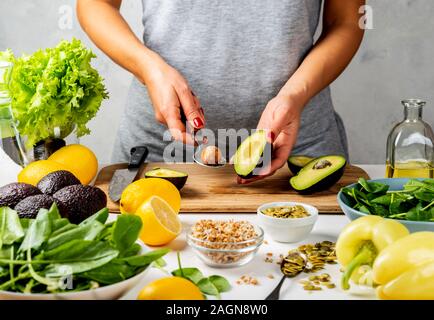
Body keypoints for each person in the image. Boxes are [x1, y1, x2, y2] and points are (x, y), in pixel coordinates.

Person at [77, 0, 365, 183]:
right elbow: (94, 4)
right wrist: (148, 68)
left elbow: (347, 21)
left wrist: (295, 95)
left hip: (298, 150)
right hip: (156, 148)